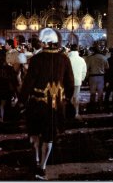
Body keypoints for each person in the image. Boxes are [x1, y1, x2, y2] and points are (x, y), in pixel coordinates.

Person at [19, 28, 74, 180]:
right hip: (56, 106)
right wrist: (67, 98)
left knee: (35, 134)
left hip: (37, 104)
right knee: (49, 137)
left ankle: (37, 159)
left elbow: (28, 83)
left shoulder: (37, 59)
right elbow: (70, 83)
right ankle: (42, 166)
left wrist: (21, 100)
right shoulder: (64, 58)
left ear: (43, 42)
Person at [85, 42, 109, 111]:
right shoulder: (104, 58)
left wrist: (86, 78)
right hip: (101, 77)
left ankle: (92, 106)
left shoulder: (90, 58)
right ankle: (100, 106)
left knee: (92, 93)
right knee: (100, 92)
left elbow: (87, 68)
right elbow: (107, 68)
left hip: (92, 77)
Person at [68, 43, 87, 119]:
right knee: (76, 97)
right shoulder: (81, 59)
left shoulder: (67, 58)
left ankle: (68, 112)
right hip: (77, 81)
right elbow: (84, 71)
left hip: (68, 81)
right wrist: (81, 79)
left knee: (68, 97)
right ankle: (76, 113)